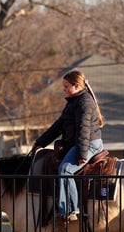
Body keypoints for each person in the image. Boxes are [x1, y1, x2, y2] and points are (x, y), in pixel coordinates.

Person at [33, 69, 105, 221]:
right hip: (81, 142)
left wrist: (81, 155)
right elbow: (58, 126)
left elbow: (84, 130)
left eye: (66, 86)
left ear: (76, 86)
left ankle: (71, 209)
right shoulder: (73, 103)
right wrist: (40, 142)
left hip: (89, 143)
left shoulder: (84, 103)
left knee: (65, 169)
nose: (64, 89)